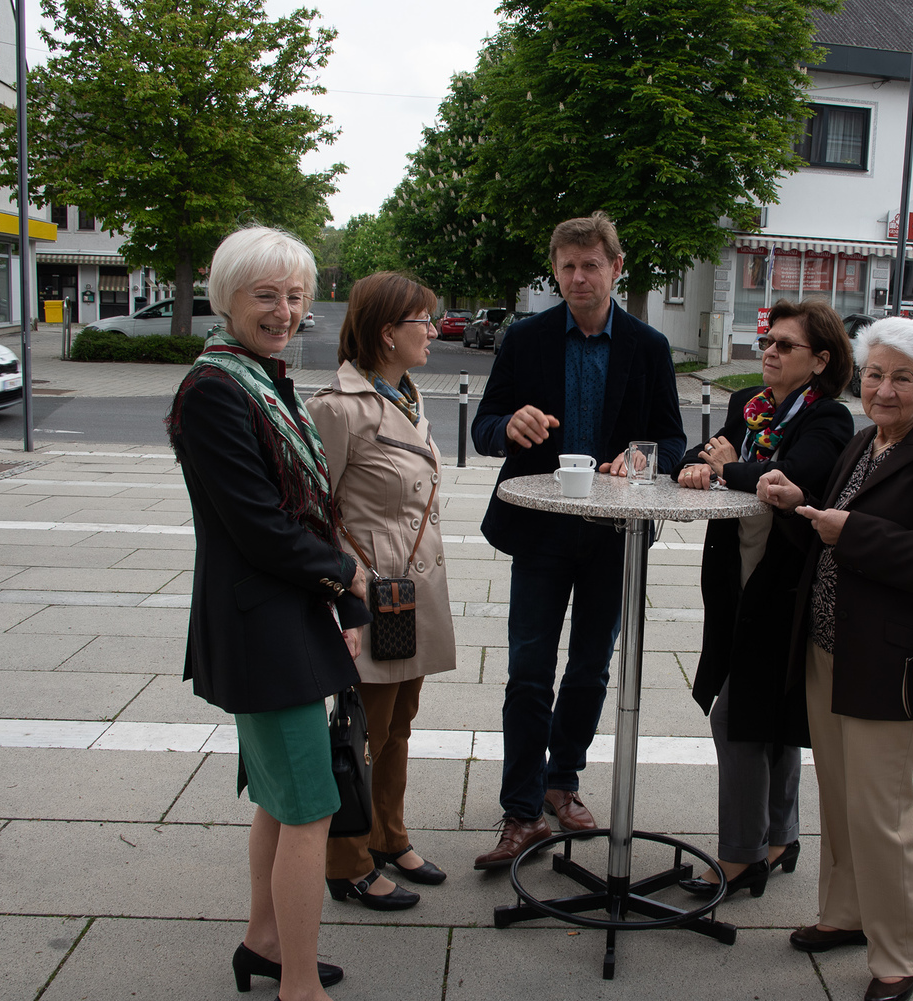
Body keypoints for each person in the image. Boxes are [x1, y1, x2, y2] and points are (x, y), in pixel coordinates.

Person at [758, 317, 913, 1001]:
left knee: (882, 812)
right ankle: (846, 913)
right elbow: (835, 525)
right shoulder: (864, 441)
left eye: (902, 378)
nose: (884, 390)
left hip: (892, 662)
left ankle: (900, 954)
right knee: (839, 796)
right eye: (874, 375)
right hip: (831, 648)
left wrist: (852, 532)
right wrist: (803, 504)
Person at [166, 226, 369, 1001]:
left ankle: (265, 941)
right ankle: (297, 986)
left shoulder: (258, 376)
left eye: (295, 295)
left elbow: (300, 509)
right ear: (227, 298)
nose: (284, 310)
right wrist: (345, 571)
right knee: (309, 808)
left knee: (280, 802)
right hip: (263, 630)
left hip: (282, 619)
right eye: (266, 295)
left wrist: (342, 595)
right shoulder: (214, 391)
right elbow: (259, 526)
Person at [471, 211, 686, 869]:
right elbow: (484, 426)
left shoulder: (648, 346)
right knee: (529, 669)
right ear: (555, 270)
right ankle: (521, 810)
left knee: (591, 667)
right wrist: (510, 426)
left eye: (590, 265)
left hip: (615, 537)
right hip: (540, 529)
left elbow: (672, 439)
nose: (578, 277)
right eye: (566, 266)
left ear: (616, 268)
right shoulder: (526, 338)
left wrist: (642, 458)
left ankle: (562, 781)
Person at [673, 298, 854, 899]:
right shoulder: (749, 405)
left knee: (737, 715)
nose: (769, 352)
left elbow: (788, 480)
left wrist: (730, 468)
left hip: (786, 586)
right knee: (766, 713)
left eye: (784, 345)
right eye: (767, 341)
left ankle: (742, 856)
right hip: (737, 577)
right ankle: (780, 839)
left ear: (819, 360)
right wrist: (711, 464)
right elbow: (696, 457)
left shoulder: (829, 419)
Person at [306, 272, 457, 912]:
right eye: (424, 320)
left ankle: (389, 836)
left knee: (399, 723)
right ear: (387, 332)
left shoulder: (405, 397)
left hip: (412, 594)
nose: (435, 331)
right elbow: (313, 512)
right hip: (371, 596)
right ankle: (347, 861)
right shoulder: (338, 408)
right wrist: (342, 590)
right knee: (362, 728)